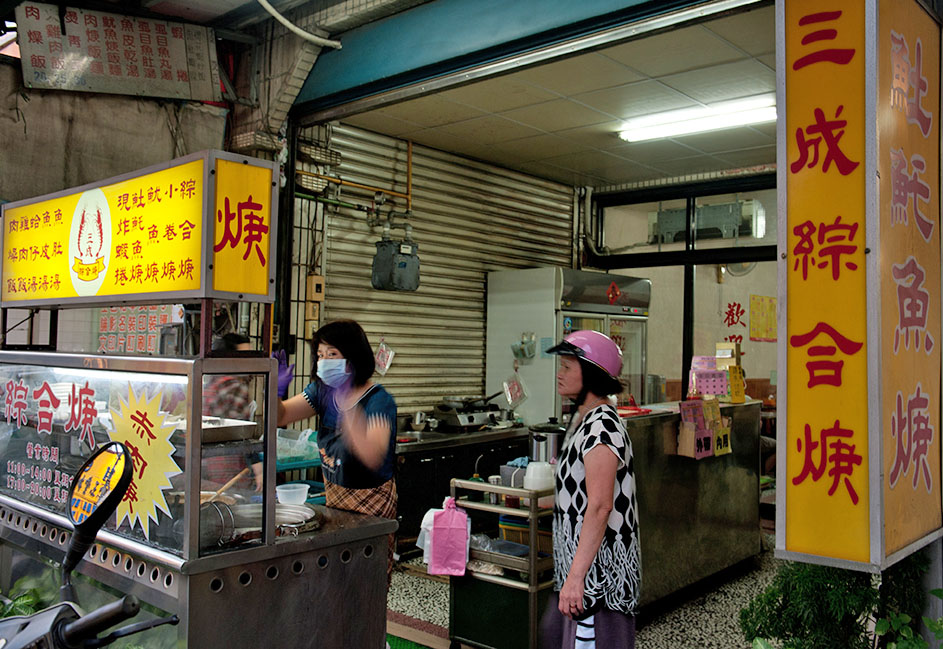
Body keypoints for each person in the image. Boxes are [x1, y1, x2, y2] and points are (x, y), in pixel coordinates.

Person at [540, 330, 641, 648]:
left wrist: (575, 578)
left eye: (569, 366)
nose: (560, 373)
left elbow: (600, 505)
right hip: (581, 573)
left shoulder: (602, 426)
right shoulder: (582, 421)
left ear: (592, 373)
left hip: (599, 578)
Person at [277, 319, 398, 582]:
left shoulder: (379, 400)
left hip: (372, 506)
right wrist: (274, 389)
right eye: (320, 355)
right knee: (337, 577)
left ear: (353, 357)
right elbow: (282, 415)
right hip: (336, 500)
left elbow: (373, 456)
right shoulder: (321, 392)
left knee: (368, 579)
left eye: (332, 354)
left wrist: (350, 413)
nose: (323, 361)